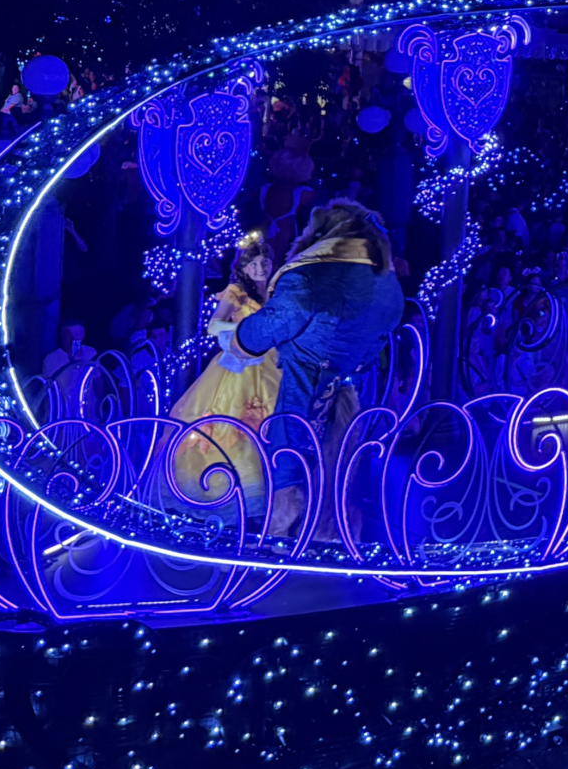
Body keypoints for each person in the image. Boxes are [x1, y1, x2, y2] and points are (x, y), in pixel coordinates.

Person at [214, 201, 405, 538]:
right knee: (339, 455)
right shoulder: (386, 279)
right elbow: (382, 331)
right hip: (351, 382)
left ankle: (284, 517)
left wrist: (241, 339)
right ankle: (332, 524)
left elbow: (275, 323)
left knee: (291, 443)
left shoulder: (312, 274)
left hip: (306, 379)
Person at [168, 235, 282, 509]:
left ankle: (271, 494)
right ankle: (228, 491)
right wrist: (245, 334)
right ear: (243, 267)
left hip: (271, 364)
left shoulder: (276, 291)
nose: (260, 268)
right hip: (239, 367)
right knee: (233, 425)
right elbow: (213, 326)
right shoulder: (236, 292)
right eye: (254, 264)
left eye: (264, 262)